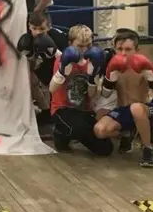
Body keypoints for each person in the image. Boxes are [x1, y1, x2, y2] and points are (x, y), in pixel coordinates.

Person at [93, 30, 153, 167]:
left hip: (145, 108)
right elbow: (105, 95)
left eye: (128, 49)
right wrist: (110, 77)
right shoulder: (114, 67)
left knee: (135, 108)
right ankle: (127, 133)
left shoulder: (144, 67)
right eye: (119, 49)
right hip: (123, 109)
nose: (123, 53)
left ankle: (148, 150)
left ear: (137, 50)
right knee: (99, 130)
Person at [46, 25, 113, 155]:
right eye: (80, 46)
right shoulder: (62, 59)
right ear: (70, 43)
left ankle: (73, 131)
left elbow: (93, 95)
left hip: (84, 109)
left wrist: (93, 78)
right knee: (77, 127)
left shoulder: (94, 60)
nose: (84, 50)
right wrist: (63, 71)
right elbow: (52, 89)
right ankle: (60, 133)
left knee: (105, 150)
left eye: (88, 45)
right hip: (62, 108)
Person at [16, 12, 68, 133]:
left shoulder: (58, 37)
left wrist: (54, 52)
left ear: (49, 27)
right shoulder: (27, 39)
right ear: (29, 27)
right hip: (42, 68)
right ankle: (45, 111)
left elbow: (67, 62)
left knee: (58, 89)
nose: (38, 32)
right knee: (28, 78)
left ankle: (60, 113)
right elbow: (32, 66)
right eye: (34, 28)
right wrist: (30, 56)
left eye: (42, 29)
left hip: (59, 70)